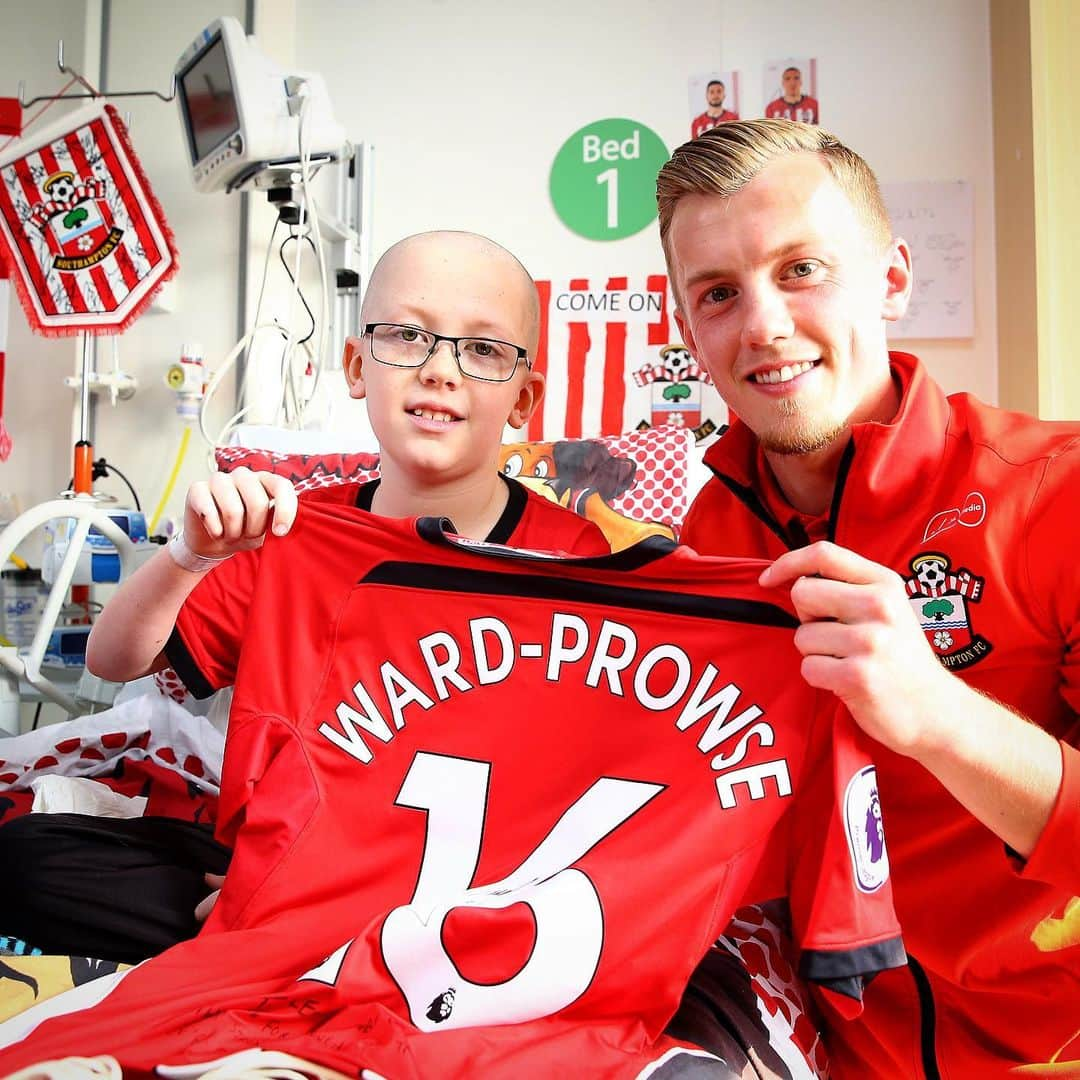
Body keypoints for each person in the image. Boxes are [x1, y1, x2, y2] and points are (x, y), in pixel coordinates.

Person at [0, 230, 609, 964]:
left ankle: (310, 945)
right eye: (407, 336)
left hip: (468, 889)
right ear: (356, 366)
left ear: (525, 398)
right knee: (27, 859)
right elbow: (114, 657)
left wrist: (336, 895)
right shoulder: (288, 530)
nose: (440, 370)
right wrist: (189, 555)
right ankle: (291, 942)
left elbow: (576, 791)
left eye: (482, 350)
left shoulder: (579, 561)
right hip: (267, 867)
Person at [657, 118, 1079, 1077]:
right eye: (719, 293)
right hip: (832, 1053)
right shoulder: (699, 551)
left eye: (802, 268)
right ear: (689, 329)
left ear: (891, 278)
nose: (763, 325)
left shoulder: (1057, 493)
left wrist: (937, 717)